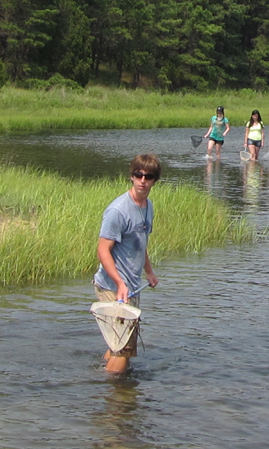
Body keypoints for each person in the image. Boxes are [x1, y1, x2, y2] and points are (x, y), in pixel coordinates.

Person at [93, 154, 161, 373]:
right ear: (131, 177)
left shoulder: (147, 205)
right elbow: (103, 251)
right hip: (113, 288)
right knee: (124, 349)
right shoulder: (118, 211)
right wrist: (120, 283)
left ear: (154, 180)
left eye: (148, 176)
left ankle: (99, 374)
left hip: (130, 287)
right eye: (138, 175)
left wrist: (148, 272)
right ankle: (116, 400)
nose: (143, 180)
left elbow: (140, 243)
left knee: (118, 344)